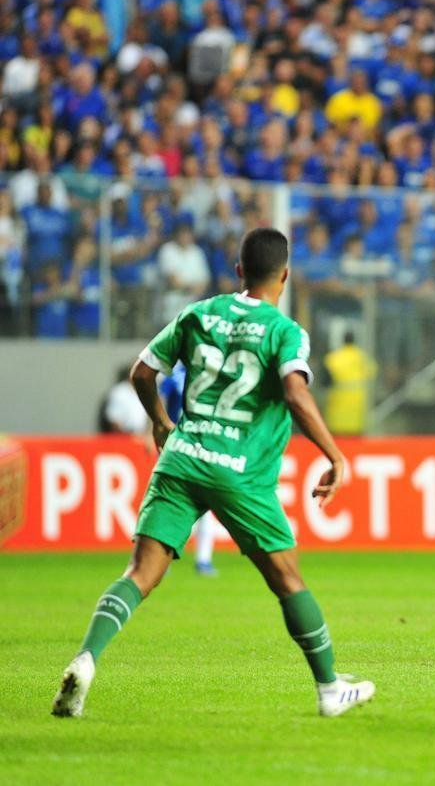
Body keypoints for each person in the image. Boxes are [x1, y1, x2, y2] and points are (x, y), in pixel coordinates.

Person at [52, 228, 374, 718]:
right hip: (240, 471)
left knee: (140, 573)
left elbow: (142, 372)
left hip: (182, 457)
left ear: (239, 269)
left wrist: (161, 421)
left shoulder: (198, 313)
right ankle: (331, 689)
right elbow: (295, 393)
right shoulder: (285, 331)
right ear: (285, 276)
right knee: (288, 579)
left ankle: (86, 660)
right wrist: (335, 455)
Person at [158, 360, 219, 576]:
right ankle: (162, 558)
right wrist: (157, 426)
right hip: (178, 444)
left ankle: (203, 560)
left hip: (204, 445)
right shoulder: (172, 376)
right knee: (177, 504)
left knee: (205, 507)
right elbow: (162, 401)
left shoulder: (209, 372)